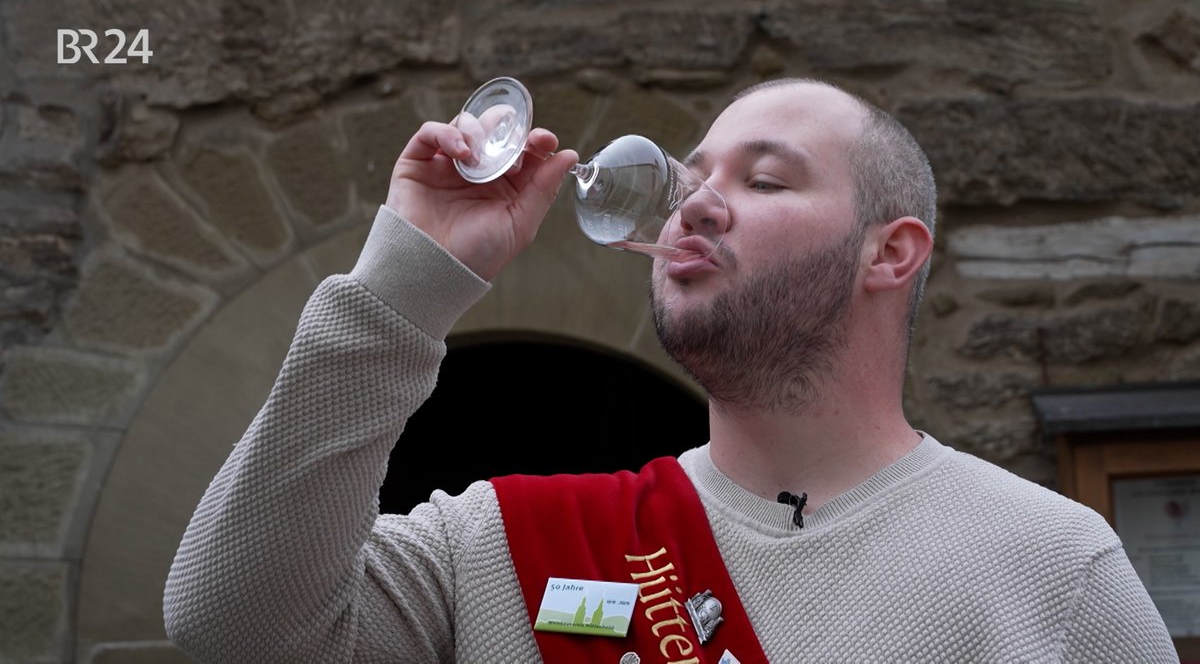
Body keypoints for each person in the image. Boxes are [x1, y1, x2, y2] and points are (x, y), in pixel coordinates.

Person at [164, 78, 1177, 662]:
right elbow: (229, 626)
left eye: (766, 177)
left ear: (891, 252)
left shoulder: (1050, 574)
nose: (693, 201)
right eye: (693, 174)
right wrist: (404, 280)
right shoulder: (495, 548)